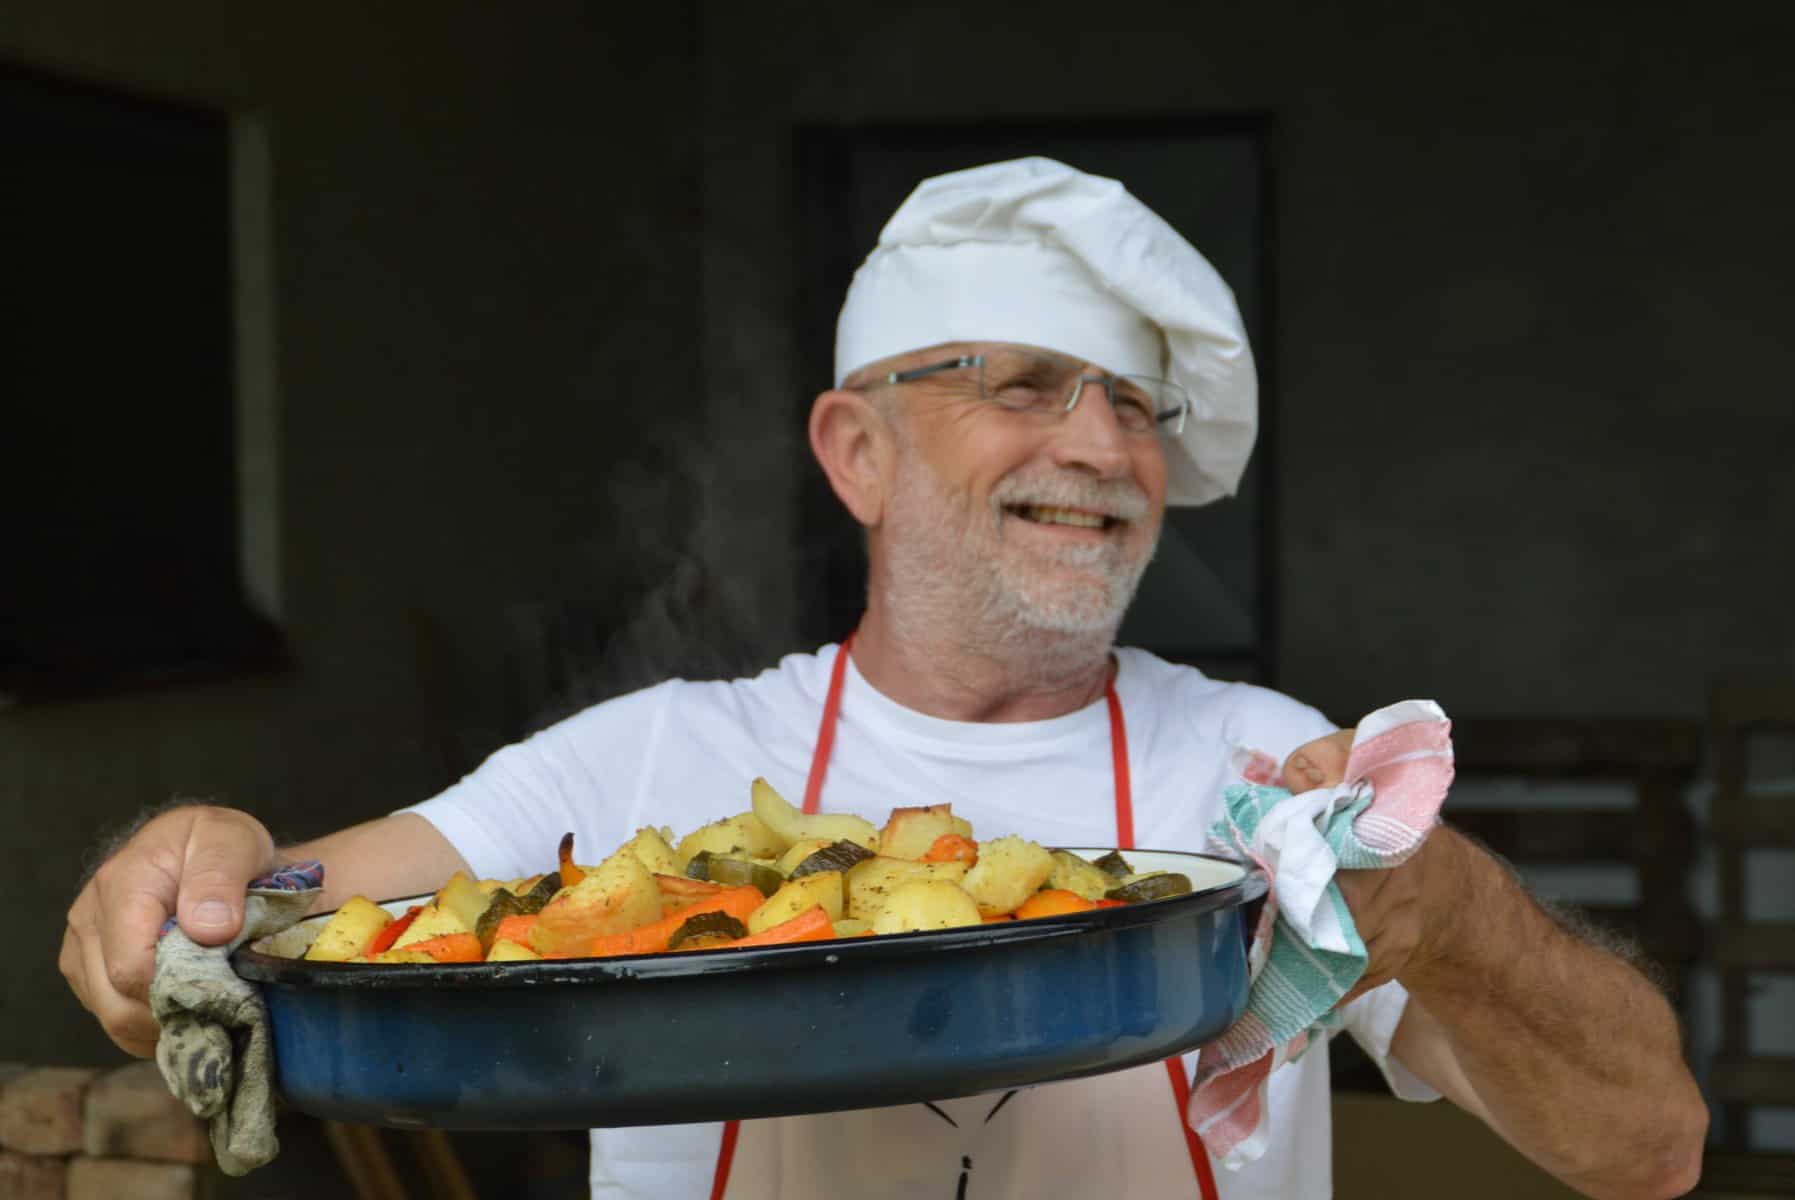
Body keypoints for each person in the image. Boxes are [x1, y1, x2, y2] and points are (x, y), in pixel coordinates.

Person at [61, 158, 1706, 1199]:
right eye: (1028, 385)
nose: (1101, 446)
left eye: (1136, 407)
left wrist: (1455, 916)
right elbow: (284, 910)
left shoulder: (1274, 778)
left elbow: (1652, 1151)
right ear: (857, 449)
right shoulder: (645, 769)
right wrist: (195, 863)